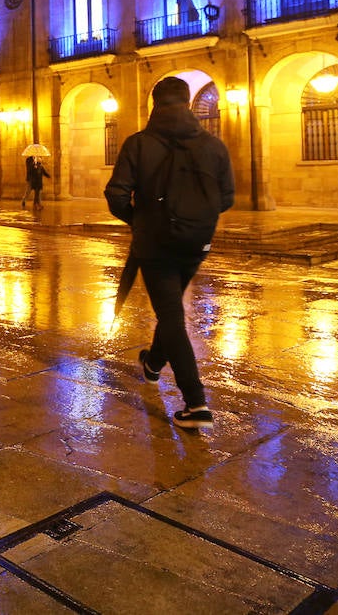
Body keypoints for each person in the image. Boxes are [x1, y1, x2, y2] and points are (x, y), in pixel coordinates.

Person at [103, 76, 234, 431]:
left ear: (155, 105)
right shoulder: (213, 145)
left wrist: (140, 221)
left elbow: (116, 195)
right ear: (189, 103)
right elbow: (227, 198)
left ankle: (196, 403)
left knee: (172, 315)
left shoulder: (138, 143)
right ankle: (153, 364)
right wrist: (196, 219)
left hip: (155, 244)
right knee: (171, 306)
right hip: (196, 242)